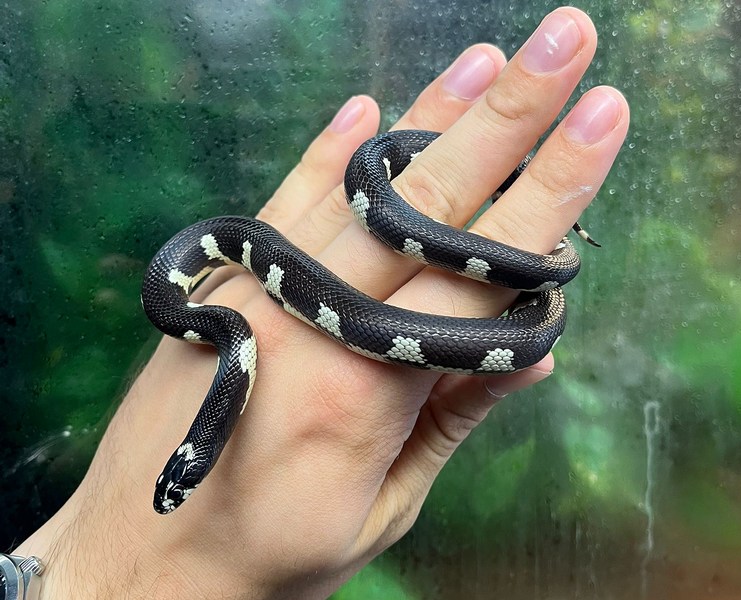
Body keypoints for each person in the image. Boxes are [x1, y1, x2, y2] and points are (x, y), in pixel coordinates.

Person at [12, 7, 629, 599]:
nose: (175, 498)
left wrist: (68, 565)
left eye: (179, 482)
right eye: (183, 487)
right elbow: (236, 334)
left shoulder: (221, 328)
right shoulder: (223, 330)